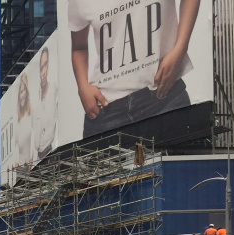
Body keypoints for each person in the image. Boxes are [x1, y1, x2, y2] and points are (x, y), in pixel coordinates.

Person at [68, 0, 199, 139]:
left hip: (164, 98)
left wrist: (180, 49)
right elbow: (78, 47)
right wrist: (82, 87)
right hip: (107, 113)